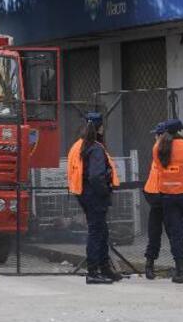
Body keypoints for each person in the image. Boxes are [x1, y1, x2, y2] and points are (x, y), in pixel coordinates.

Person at [67, 112, 121, 284]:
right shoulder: (96, 148)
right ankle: (93, 272)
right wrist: (105, 192)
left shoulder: (78, 145)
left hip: (82, 193)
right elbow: (96, 176)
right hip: (95, 195)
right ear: (100, 128)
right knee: (97, 232)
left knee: (101, 231)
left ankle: (104, 268)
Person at [149, 119, 183, 283]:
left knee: (175, 235)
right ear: (179, 131)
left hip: (167, 195)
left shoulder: (158, 147)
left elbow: (158, 168)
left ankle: (180, 272)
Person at [143, 122, 166, 280]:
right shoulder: (160, 148)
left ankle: (150, 264)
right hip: (159, 195)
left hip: (160, 195)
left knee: (156, 233)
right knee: (170, 232)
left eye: (157, 134)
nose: (154, 137)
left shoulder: (161, 148)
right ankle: (180, 265)